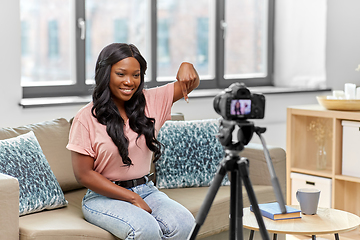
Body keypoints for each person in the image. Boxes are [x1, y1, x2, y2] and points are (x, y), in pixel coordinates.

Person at [66, 43, 200, 240]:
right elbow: (84, 175)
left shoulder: (152, 101)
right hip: (102, 197)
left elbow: (190, 82)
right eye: (121, 74)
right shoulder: (86, 117)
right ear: (106, 74)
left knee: (185, 224)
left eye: (135, 75)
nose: (129, 82)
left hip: (146, 189)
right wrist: (132, 197)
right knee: (145, 230)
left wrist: (187, 64)